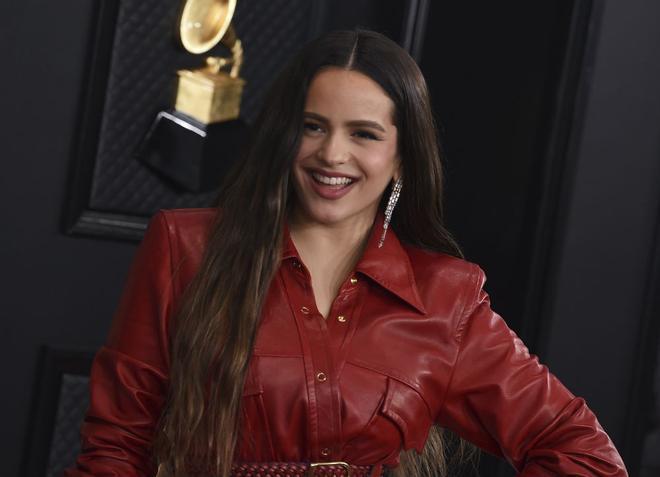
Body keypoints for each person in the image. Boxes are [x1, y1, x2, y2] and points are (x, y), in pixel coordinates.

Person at [65, 29, 627, 477]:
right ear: (285, 136)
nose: (332, 154)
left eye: (364, 134)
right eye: (313, 127)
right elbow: (117, 447)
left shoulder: (446, 297)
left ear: (403, 157)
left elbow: (581, 452)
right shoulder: (184, 248)